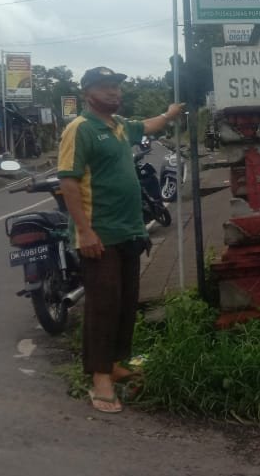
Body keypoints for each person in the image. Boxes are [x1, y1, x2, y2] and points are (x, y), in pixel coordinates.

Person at [58, 67, 183, 414]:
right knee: (103, 305)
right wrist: (84, 231)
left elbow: (148, 126)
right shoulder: (80, 129)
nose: (114, 93)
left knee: (127, 302)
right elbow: (68, 182)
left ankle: (115, 363)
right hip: (100, 234)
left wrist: (171, 114)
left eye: (116, 87)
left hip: (129, 231)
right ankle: (99, 377)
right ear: (87, 93)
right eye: (105, 87)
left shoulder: (118, 126)